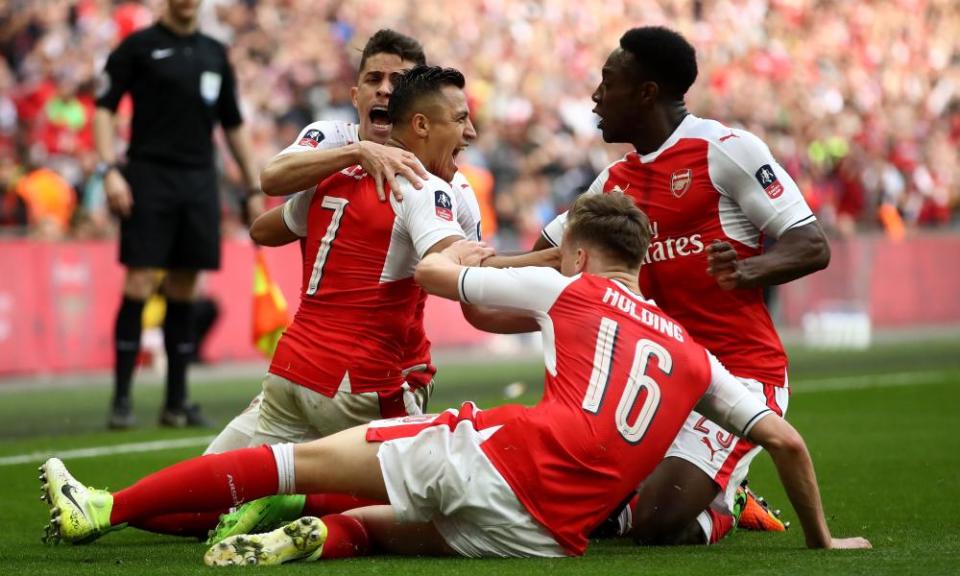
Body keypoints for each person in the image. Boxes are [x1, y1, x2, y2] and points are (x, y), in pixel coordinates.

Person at [38, 192, 870, 563]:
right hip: (545, 537)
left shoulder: (564, 285)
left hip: (504, 457)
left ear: (579, 250)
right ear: (642, 263)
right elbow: (788, 440)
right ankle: (304, 532)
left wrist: (467, 247)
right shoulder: (694, 354)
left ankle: (104, 510)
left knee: (296, 457)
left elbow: (442, 280)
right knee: (375, 528)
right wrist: (824, 541)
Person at [534, 26, 832, 544]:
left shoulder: (726, 150)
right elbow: (550, 254)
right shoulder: (613, 183)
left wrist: (747, 272)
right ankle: (642, 498)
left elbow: (811, 243)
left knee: (657, 527)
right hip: (657, 378)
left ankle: (729, 504)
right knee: (577, 511)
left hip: (739, 373)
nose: (595, 96)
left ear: (646, 92)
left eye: (608, 82)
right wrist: (474, 268)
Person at [93, 0, 263, 429]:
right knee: (139, 278)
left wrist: (254, 186)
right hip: (147, 176)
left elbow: (233, 123)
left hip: (199, 182)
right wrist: (109, 170)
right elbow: (104, 109)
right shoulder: (137, 47)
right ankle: (121, 399)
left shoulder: (213, 52)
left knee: (185, 285)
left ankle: (176, 401)